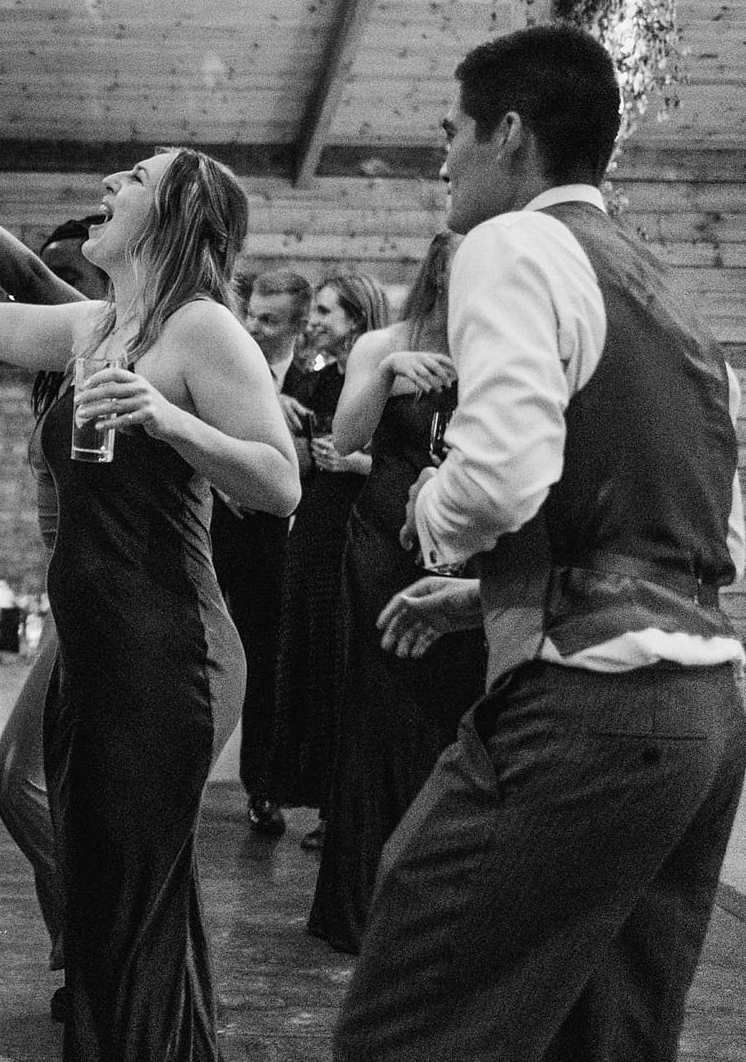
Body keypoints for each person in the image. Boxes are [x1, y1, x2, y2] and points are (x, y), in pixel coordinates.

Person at [332, 24, 746, 1062]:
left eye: (453, 133)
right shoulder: (676, 301)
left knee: (406, 1019)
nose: (443, 160)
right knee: (602, 1039)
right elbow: (705, 531)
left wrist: (430, 507)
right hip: (705, 718)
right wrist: (484, 600)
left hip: (593, 706)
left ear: (509, 134)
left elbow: (502, 476)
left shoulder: (512, 244)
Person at [0, 148, 301, 1062]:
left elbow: (281, 486)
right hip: (94, 648)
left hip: (170, 655)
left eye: (138, 178)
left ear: (176, 216)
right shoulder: (98, 324)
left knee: (128, 901)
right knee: (102, 899)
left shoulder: (203, 330)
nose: (112, 186)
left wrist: (170, 421)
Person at [0, 195, 108, 1019]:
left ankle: (103, 943)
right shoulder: (54, 364)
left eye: (73, 274)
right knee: (46, 788)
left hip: (120, 603)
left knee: (18, 781)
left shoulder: (113, 334)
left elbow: (24, 274)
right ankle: (81, 962)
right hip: (76, 596)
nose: (45, 288)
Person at [306, 231, 484, 954]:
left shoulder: (498, 344)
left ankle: (430, 909)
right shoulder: (383, 342)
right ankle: (355, 908)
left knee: (452, 715)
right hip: (382, 540)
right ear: (436, 270)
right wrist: (384, 378)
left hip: (464, 547)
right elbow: (345, 437)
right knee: (379, 714)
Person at [263, 269, 387, 849]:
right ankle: (313, 796)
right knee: (311, 664)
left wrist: (357, 464)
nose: (311, 321)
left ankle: (346, 810)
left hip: (355, 532)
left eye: (325, 312)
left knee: (344, 667)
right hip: (312, 533)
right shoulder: (314, 383)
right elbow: (302, 461)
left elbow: (404, 456)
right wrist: (278, 406)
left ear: (358, 321)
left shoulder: (381, 382)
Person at [210, 268, 314, 837]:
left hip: (277, 535)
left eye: (269, 320)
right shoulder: (228, 360)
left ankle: (263, 788)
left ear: (298, 325)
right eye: (251, 313)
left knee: (265, 659)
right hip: (215, 519)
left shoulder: (315, 381)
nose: (252, 325)